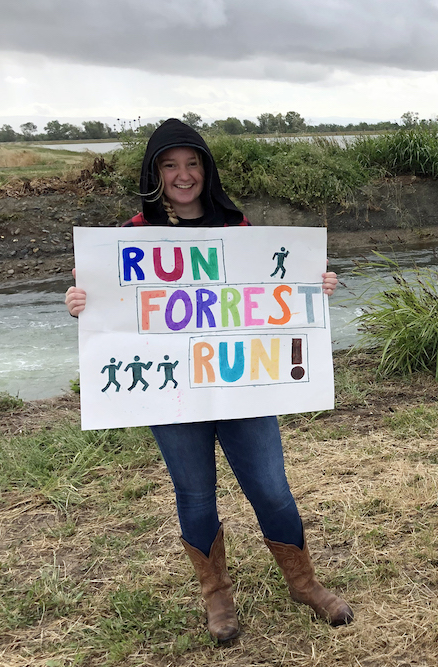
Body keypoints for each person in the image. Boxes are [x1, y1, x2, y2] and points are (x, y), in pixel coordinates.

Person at [65, 119, 352, 643]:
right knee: (195, 495)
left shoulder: (238, 230)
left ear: (206, 169)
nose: (182, 174)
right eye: (170, 165)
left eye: (192, 163)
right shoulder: (132, 236)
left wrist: (317, 285)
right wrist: (81, 304)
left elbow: (271, 296)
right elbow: (112, 313)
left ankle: (304, 583)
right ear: (155, 173)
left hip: (242, 386)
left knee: (271, 487)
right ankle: (217, 601)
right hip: (173, 394)